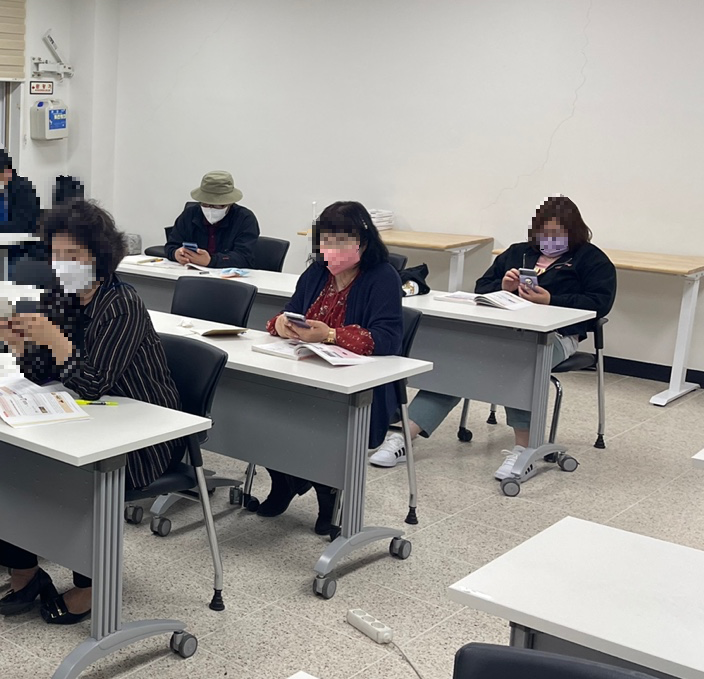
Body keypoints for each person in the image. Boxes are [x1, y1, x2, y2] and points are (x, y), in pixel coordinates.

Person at [0, 199, 183, 626]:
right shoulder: (60, 296)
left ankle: (93, 583)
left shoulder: (121, 303)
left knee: (76, 478)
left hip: (143, 434)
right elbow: (45, 374)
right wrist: (22, 346)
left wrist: (55, 340)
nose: (63, 264)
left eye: (74, 255)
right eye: (57, 254)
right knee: (12, 459)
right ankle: (25, 573)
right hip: (86, 418)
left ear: (99, 256)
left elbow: (94, 383)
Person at [370, 196, 616, 480]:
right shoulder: (518, 253)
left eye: (557, 234)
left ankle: (524, 448)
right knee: (456, 362)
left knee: (516, 363)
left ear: (573, 231)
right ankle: (405, 436)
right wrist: (503, 286)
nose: (549, 240)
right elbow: (481, 287)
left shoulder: (591, 259)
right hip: (501, 331)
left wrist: (552, 299)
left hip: (556, 337)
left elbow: (599, 303)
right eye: (544, 233)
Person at [255, 201, 403, 533]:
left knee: (315, 423)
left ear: (363, 242)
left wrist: (331, 335)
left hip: (358, 385)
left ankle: (327, 492)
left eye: (342, 240)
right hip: (306, 372)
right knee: (262, 410)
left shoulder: (382, 277)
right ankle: (285, 481)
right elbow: (289, 312)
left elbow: (388, 339)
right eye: (327, 239)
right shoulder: (316, 274)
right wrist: (281, 325)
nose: (332, 248)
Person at [164, 171, 259, 269]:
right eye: (205, 204)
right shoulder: (189, 215)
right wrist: (175, 253)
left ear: (229, 203)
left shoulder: (245, 219)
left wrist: (211, 260)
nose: (210, 209)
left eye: (218, 206)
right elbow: (171, 245)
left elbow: (244, 257)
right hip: (190, 272)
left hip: (229, 275)